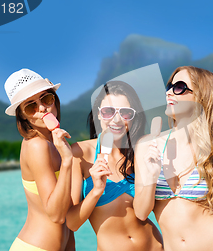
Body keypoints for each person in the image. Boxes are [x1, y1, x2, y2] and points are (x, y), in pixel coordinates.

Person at [134, 66, 213, 251]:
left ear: (201, 96)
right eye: (169, 86)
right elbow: (141, 213)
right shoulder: (147, 146)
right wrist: (151, 177)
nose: (169, 93)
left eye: (179, 87)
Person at [67, 81, 163, 251]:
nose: (117, 120)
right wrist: (96, 190)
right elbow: (72, 223)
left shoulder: (139, 152)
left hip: (155, 246)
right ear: (98, 114)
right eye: (108, 111)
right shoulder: (80, 153)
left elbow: (143, 212)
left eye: (126, 113)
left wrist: (151, 176)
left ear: (134, 117)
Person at [4, 69, 75, 251]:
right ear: (23, 115)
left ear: (55, 100)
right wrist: (67, 161)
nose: (42, 108)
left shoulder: (54, 142)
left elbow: (68, 216)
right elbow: (57, 215)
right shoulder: (37, 146)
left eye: (46, 99)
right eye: (31, 107)